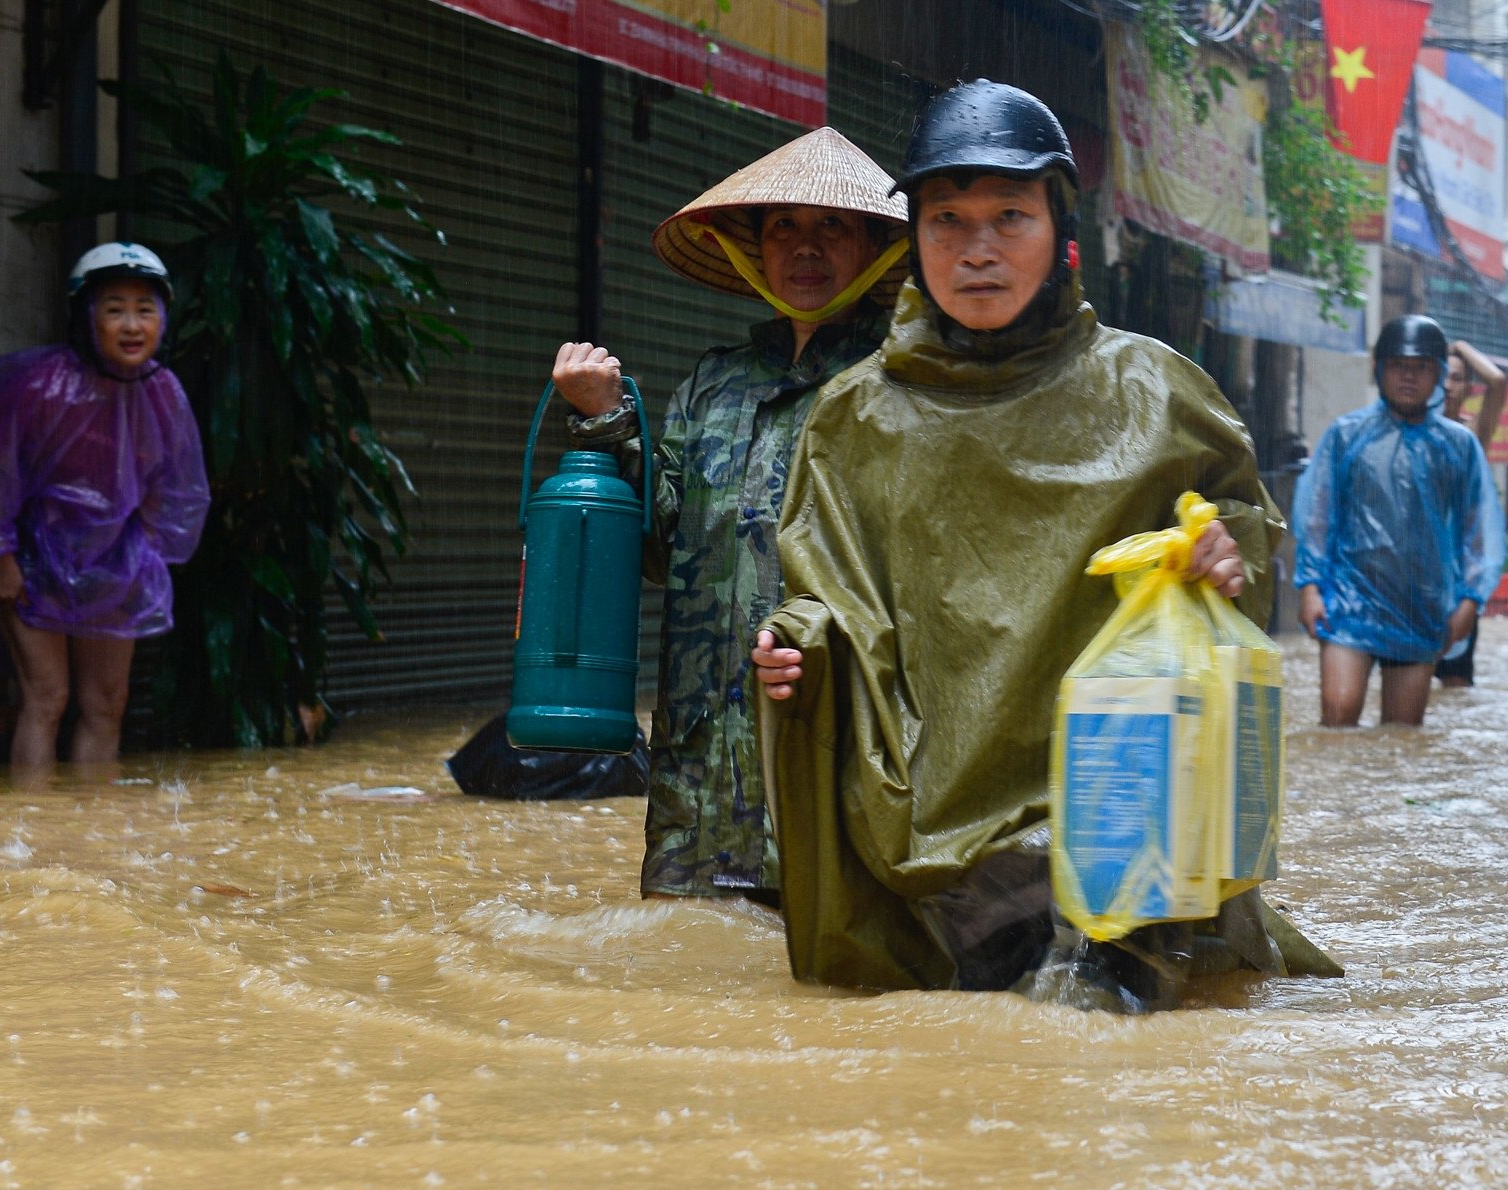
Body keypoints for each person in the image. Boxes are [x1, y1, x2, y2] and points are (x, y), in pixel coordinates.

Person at [747, 81, 1338, 1007]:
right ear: (914, 242)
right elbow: (828, 594)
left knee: (1105, 1050)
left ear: (1060, 233)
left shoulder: (1161, 391)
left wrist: (1230, 560)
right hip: (944, 842)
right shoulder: (852, 417)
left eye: (1009, 217)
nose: (977, 250)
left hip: (1127, 817)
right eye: (948, 221)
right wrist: (795, 649)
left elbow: (1245, 553)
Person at [545, 128, 909, 902]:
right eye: (784, 228)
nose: (804, 249)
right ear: (754, 249)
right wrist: (608, 419)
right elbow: (656, 546)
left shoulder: (900, 384)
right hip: (696, 774)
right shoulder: (712, 384)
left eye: (830, 227)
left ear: (874, 246)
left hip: (823, 754)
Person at [0, 242, 209, 779]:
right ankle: (34, 838)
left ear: (163, 318)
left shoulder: (163, 392)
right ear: (87, 317)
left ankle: (90, 841)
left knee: (105, 704)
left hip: (115, 566)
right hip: (34, 560)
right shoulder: (38, 386)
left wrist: (145, 560)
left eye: (145, 308)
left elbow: (176, 489)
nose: (132, 324)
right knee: (45, 698)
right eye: (114, 309)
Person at [1293, 316, 1505, 728]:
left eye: (1421, 367)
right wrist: (1310, 587)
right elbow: (1318, 517)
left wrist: (1470, 601)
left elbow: (1477, 529)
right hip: (1348, 601)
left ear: (1439, 374)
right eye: (1398, 366)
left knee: (1402, 737)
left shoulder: (1458, 445)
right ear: (1379, 370)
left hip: (1422, 607)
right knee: (1337, 720)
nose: (1409, 377)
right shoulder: (1346, 436)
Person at [1434, 339, 1508, 687]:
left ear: (1467, 388)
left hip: (1459, 583)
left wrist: (1460, 346)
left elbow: (1497, 382)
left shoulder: (1470, 436)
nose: (1448, 386)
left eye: (1458, 378)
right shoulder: (1404, 430)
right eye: (1442, 375)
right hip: (1412, 579)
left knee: (1455, 687)